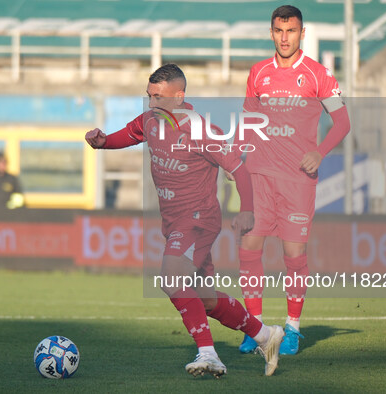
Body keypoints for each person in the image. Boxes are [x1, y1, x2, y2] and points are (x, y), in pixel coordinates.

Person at [85, 64, 284, 378]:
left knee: (171, 278)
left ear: (179, 97)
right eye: (149, 96)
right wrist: (103, 141)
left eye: (158, 97)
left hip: (198, 220)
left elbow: (240, 169)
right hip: (174, 222)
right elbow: (131, 133)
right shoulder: (151, 121)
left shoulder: (201, 130)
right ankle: (265, 335)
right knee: (204, 298)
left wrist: (247, 210)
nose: (152, 104)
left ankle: (208, 353)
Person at [236, 5, 350, 356]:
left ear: (302, 32)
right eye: (278, 31)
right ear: (271, 32)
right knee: (248, 248)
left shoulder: (317, 75)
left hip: (298, 180)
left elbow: (343, 123)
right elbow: (249, 122)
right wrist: (238, 159)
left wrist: (319, 153)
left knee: (293, 255)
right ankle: (254, 331)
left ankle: (292, 330)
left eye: (291, 31)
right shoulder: (258, 73)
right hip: (260, 176)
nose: (285, 37)